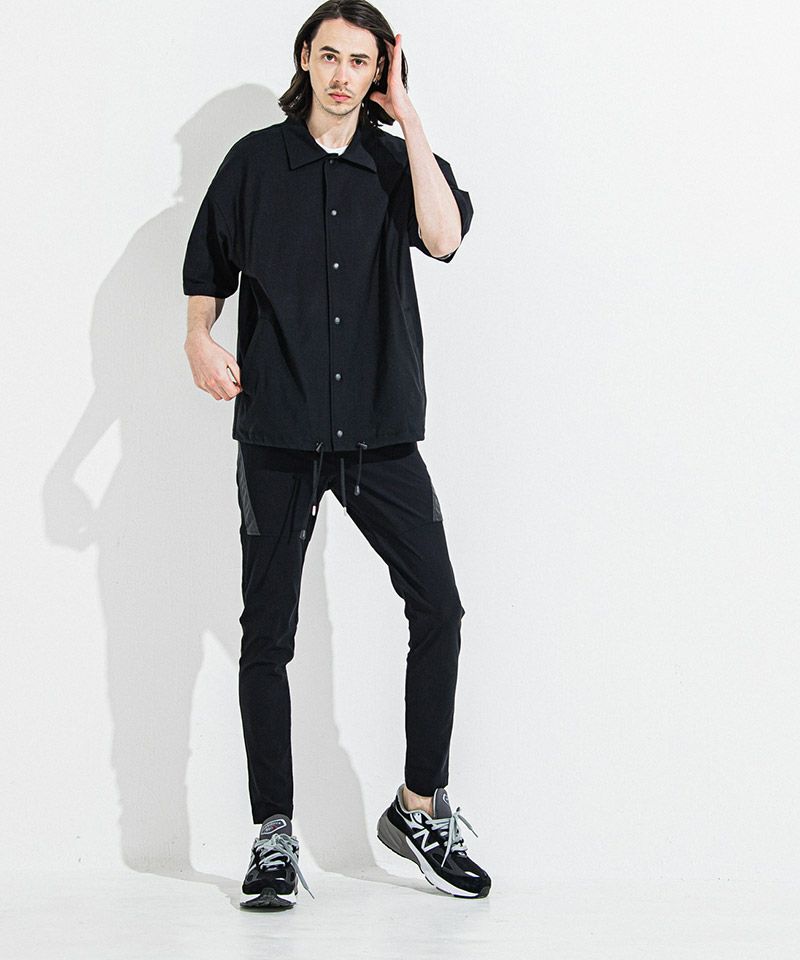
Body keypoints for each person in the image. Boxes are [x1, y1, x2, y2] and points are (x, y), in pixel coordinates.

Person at [182, 1, 491, 908]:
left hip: (379, 431)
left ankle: (418, 808)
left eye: (362, 61)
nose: (344, 75)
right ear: (305, 60)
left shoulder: (397, 164)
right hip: (277, 431)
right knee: (267, 635)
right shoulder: (253, 162)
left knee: (439, 608)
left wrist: (411, 118)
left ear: (380, 72)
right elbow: (207, 267)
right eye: (331, 56)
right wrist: (198, 338)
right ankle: (273, 834)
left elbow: (444, 238)